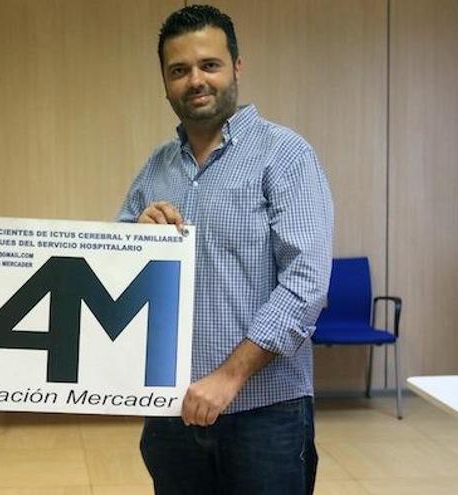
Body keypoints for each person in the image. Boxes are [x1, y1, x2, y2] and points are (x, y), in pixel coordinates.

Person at [117, 5, 333, 494]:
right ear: (165, 82)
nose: (195, 80)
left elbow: (305, 282)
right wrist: (137, 236)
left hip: (265, 416)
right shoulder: (156, 167)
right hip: (172, 416)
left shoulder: (285, 155)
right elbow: (112, 268)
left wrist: (227, 378)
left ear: (236, 67)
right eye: (179, 70)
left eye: (209, 65)